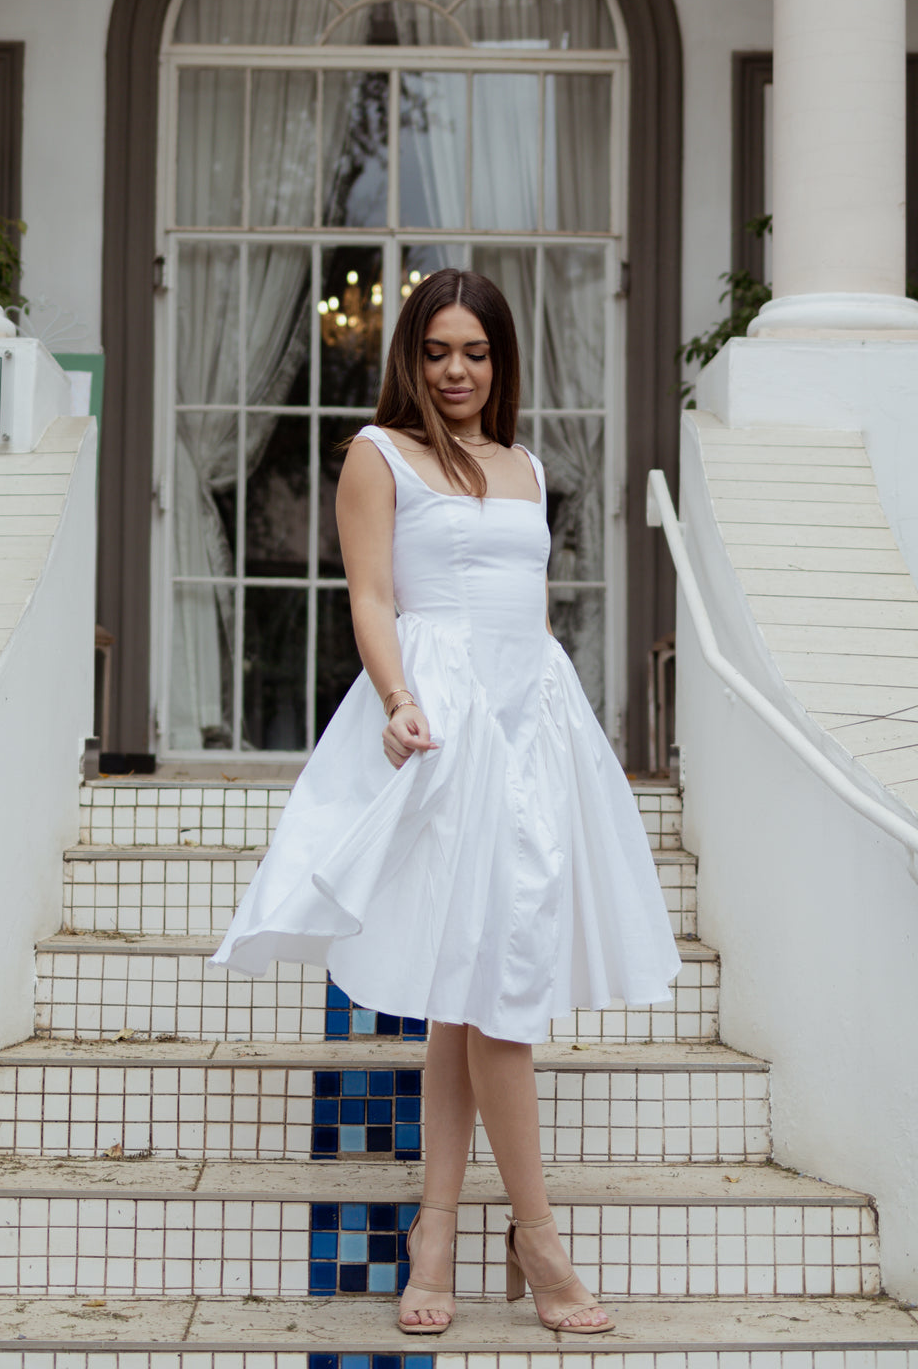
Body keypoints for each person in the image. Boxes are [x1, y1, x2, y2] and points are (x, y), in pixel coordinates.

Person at [211, 269, 681, 1336]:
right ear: (408, 361)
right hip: (440, 725)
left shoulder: (524, 466)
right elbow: (370, 595)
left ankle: (435, 1236)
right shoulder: (376, 457)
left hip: (530, 729)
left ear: (499, 361)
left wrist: (555, 727)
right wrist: (398, 700)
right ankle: (539, 1244)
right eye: (436, 353)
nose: (456, 371)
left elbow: (532, 611)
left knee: (479, 994)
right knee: (491, 996)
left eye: (474, 352)